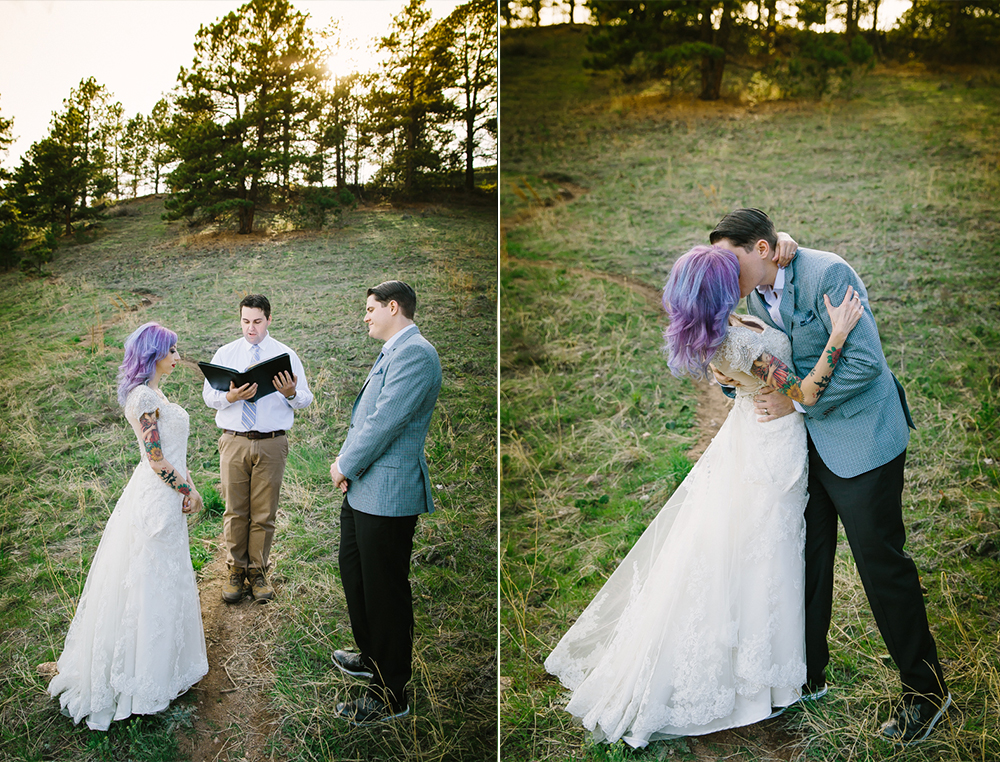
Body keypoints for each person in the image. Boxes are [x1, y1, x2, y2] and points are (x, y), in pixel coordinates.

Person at [544, 245, 864, 747]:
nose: (741, 276)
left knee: (745, 551)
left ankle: (771, 671)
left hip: (751, 441)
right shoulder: (733, 345)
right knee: (765, 558)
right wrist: (840, 332)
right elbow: (804, 394)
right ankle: (762, 678)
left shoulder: (721, 330)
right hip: (769, 454)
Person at [709, 208, 950, 745]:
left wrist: (797, 406)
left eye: (732, 259)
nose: (725, 272)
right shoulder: (752, 295)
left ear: (764, 250)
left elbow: (865, 364)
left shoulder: (828, 274)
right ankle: (807, 676)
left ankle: (927, 692)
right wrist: (740, 385)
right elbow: (766, 362)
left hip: (862, 442)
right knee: (805, 558)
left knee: (881, 567)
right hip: (803, 453)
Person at [44, 322, 208, 730]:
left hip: (163, 497)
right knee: (148, 582)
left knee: (164, 580)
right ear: (154, 354)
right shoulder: (144, 398)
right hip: (156, 499)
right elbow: (156, 460)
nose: (177, 355)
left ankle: (163, 667)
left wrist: (184, 489)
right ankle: (137, 679)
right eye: (171, 350)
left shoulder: (153, 394)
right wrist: (190, 491)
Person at [329, 280, 442, 726]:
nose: (366, 315)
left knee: (386, 593)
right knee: (356, 575)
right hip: (364, 488)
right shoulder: (393, 350)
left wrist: (344, 465)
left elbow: (384, 423)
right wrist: (347, 465)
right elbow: (364, 417)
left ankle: (391, 693)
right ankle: (371, 655)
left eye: (371, 308)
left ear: (393, 307)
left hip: (389, 495)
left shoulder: (416, 353)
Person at [202, 294, 313, 603]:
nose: (250, 328)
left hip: (271, 442)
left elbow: (305, 397)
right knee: (235, 510)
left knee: (264, 512)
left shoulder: (285, 354)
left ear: (269, 320)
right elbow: (208, 396)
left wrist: (291, 394)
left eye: (257, 321)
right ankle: (235, 572)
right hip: (234, 440)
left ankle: (258, 572)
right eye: (245, 321)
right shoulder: (226, 353)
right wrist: (231, 397)